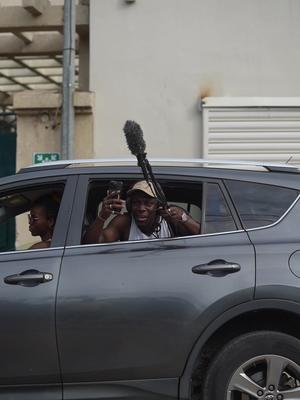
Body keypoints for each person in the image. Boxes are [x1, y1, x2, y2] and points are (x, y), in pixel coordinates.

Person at [84, 180, 200, 244]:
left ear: (158, 206)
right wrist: (102, 217)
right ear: (130, 205)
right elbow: (92, 245)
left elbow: (203, 239)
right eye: (136, 203)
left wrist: (184, 218)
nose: (141, 208)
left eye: (148, 203)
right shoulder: (124, 223)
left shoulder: (170, 219)